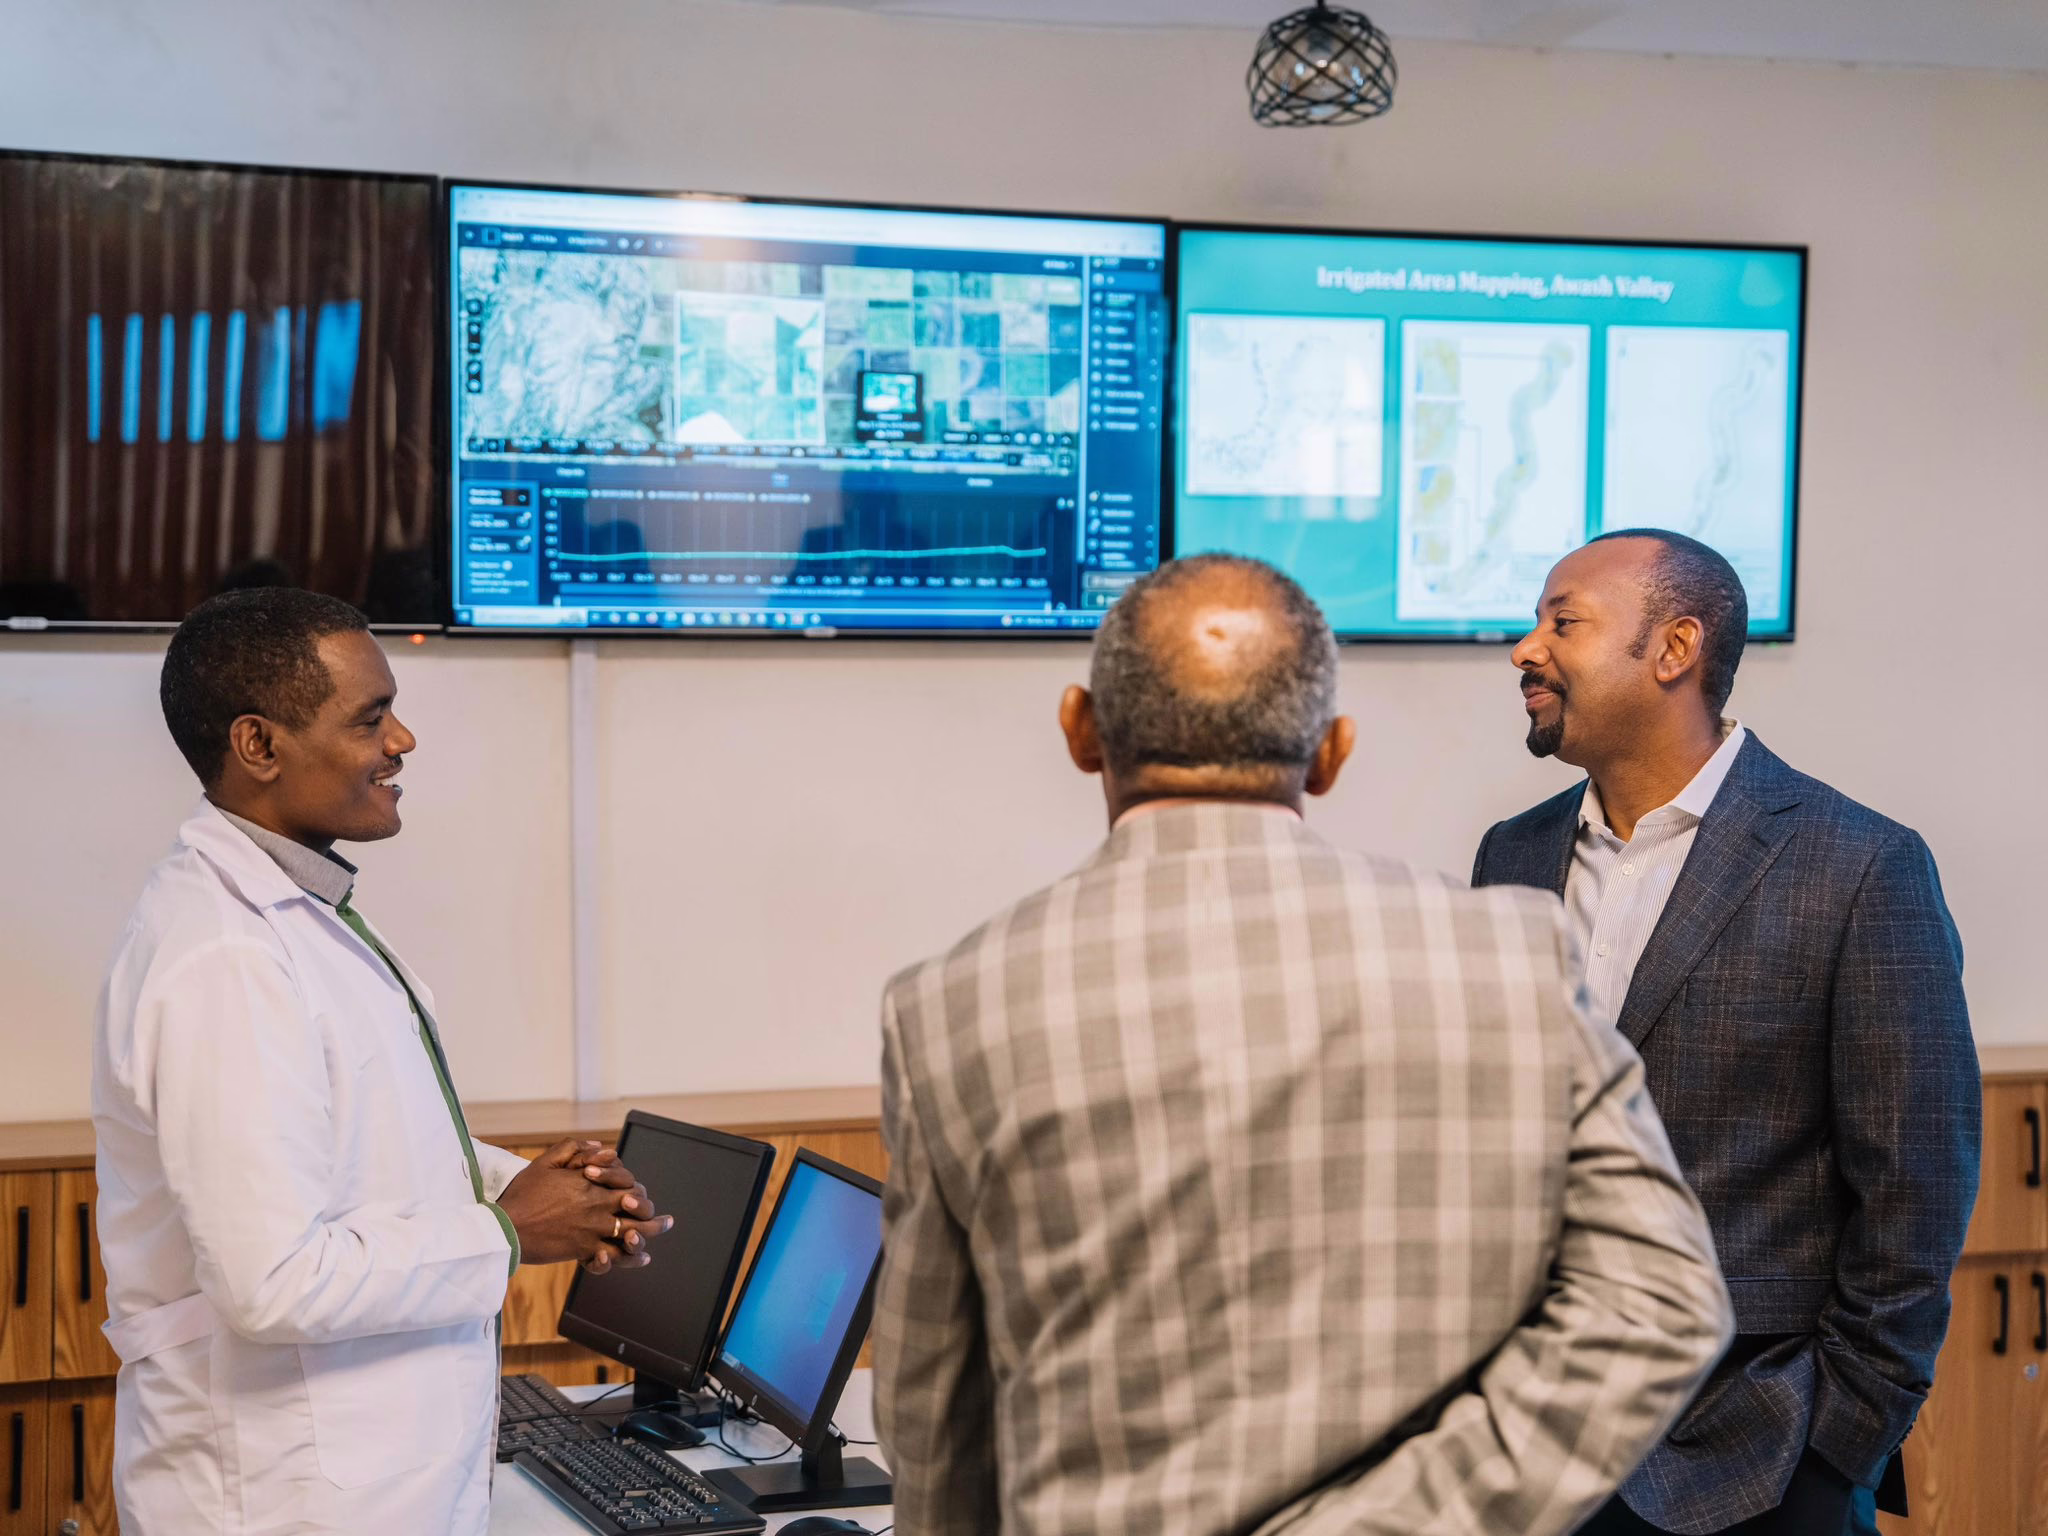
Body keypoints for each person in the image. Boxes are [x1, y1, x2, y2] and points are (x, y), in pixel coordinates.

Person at [871, 553, 1733, 1536]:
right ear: (1330, 752)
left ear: (1079, 729)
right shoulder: (1510, 955)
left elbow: (933, 1425)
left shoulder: (945, 1007)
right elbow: (1659, 1307)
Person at [93, 589, 672, 1533]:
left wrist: (533, 1186)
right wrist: (510, 1230)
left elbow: (361, 1137)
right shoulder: (225, 958)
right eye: (370, 719)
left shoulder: (294, 915)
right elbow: (273, 1280)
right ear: (259, 745)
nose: (402, 741)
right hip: (280, 1499)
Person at [1471, 530, 1981, 1535]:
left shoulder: (1858, 866)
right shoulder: (1511, 855)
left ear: (1674, 649)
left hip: (1759, 1459)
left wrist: (1837, 1451)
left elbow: (1915, 1190)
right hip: (1528, 1451)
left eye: (1563, 622)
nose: (1526, 649)